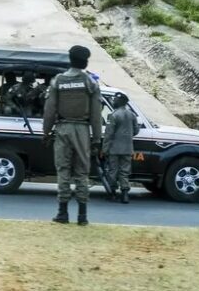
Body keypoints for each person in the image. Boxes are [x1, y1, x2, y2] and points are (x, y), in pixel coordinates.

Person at [42, 45, 102, 226]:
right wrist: (97, 139)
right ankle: (82, 216)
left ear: (70, 60)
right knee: (82, 172)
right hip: (83, 130)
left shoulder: (58, 81)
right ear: (85, 62)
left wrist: (46, 132)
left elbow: (49, 110)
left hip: (62, 129)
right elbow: (96, 114)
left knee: (63, 170)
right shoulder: (90, 83)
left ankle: (62, 213)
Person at [103, 92, 139, 203]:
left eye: (115, 100)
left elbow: (109, 134)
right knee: (124, 172)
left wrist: (104, 149)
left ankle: (112, 193)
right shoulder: (132, 115)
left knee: (113, 171)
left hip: (114, 149)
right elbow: (136, 130)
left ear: (119, 102)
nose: (113, 101)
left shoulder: (114, 115)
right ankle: (125, 195)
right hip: (128, 149)